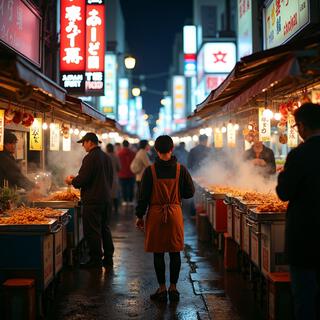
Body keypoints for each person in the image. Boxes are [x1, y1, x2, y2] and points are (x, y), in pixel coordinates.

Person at [135, 135, 195, 303]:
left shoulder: (150, 171)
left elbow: (143, 196)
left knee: (158, 252)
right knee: (175, 251)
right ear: (172, 148)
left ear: (156, 150)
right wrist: (176, 194)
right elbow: (190, 192)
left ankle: (161, 289)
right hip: (175, 212)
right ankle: (173, 288)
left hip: (155, 214)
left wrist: (139, 215)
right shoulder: (180, 169)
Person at [276, 103, 320, 320]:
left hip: (305, 238)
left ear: (302, 126)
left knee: (305, 299)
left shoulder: (299, 155)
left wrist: (282, 175)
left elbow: (283, 192)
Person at [65, 132, 114, 268]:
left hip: (93, 201)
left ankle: (95, 260)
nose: (82, 146)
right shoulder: (106, 157)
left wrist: (72, 180)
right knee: (105, 228)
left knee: (92, 231)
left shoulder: (90, 158)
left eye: (83, 143)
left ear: (90, 142)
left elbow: (83, 179)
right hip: (106, 199)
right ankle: (108, 258)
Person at [117, 140, 136, 205]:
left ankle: (125, 200)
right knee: (131, 188)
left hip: (122, 174)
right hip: (131, 173)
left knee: (123, 188)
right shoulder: (133, 153)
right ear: (128, 145)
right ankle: (130, 200)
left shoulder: (119, 153)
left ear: (122, 145)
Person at [106, 143, 121, 214]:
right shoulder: (116, 156)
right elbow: (119, 168)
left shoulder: (105, 156)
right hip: (114, 178)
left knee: (107, 195)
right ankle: (116, 209)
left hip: (106, 178)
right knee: (115, 195)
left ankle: (108, 210)